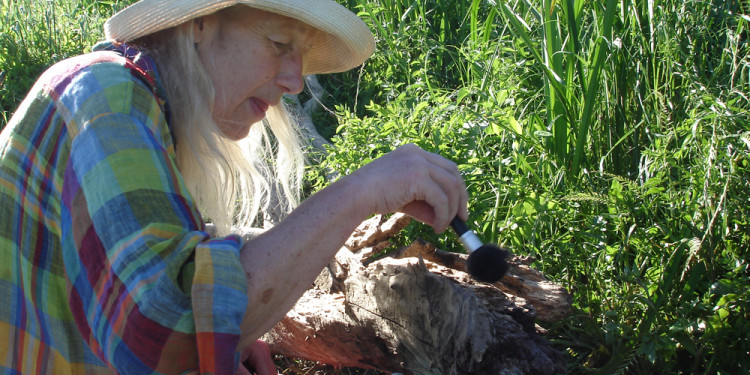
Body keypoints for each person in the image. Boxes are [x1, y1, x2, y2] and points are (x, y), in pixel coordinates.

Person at [0, 0, 468, 373]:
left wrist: (234, 340)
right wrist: (360, 191)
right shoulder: (109, 97)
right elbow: (165, 337)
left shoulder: (137, 100)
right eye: (279, 42)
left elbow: (162, 267)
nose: (294, 80)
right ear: (200, 23)